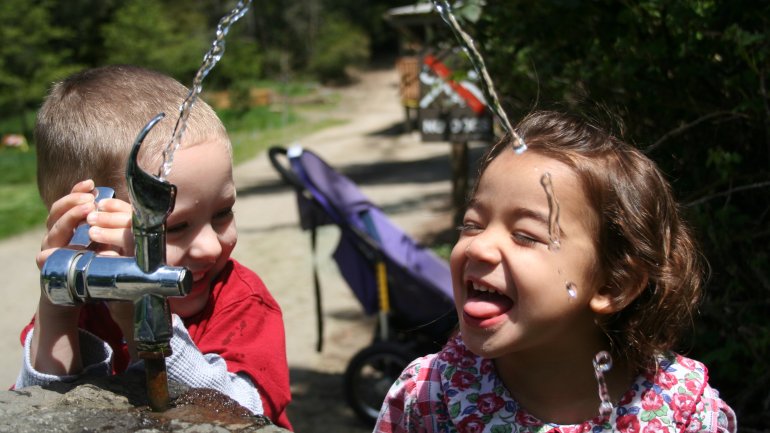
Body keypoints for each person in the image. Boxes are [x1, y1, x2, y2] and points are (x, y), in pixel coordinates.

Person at [374, 111, 736, 432]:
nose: (479, 246)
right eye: (472, 224)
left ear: (613, 285)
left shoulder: (684, 414)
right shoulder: (427, 398)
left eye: (525, 236)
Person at [15, 65, 293, 430]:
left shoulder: (241, 303)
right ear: (86, 227)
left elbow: (242, 414)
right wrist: (58, 306)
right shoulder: (84, 309)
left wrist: (141, 315)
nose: (210, 247)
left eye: (223, 212)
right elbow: (41, 414)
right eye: (174, 228)